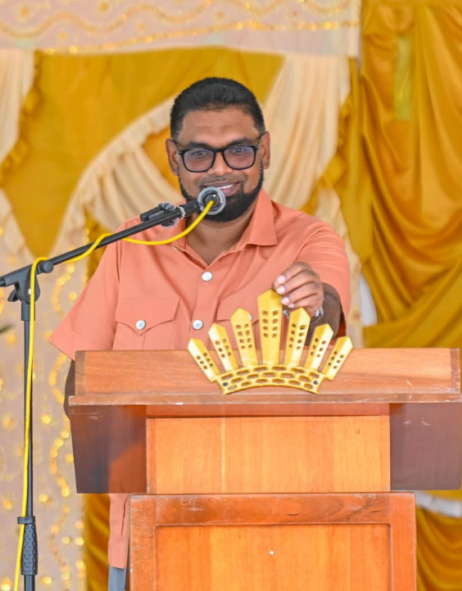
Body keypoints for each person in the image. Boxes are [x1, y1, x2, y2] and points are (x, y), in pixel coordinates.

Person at [50, 78, 351, 590]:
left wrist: (315, 301)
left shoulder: (309, 240)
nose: (220, 169)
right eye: (199, 155)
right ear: (174, 158)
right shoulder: (131, 246)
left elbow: (327, 314)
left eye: (238, 151)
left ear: (265, 151)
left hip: (268, 537)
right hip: (146, 531)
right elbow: (80, 386)